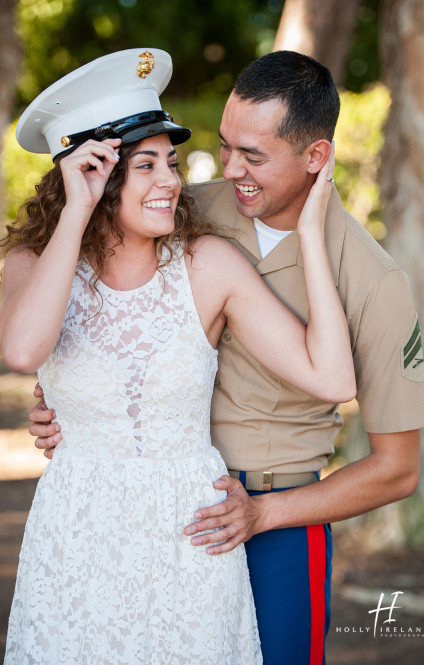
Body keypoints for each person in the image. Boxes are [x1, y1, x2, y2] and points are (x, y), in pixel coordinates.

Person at [1, 49, 356, 664]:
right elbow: (24, 349)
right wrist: (76, 208)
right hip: (76, 540)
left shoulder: (206, 266)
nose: (172, 180)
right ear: (96, 173)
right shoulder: (32, 263)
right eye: (146, 165)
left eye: (170, 161)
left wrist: (310, 235)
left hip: (188, 544)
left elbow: (332, 376)